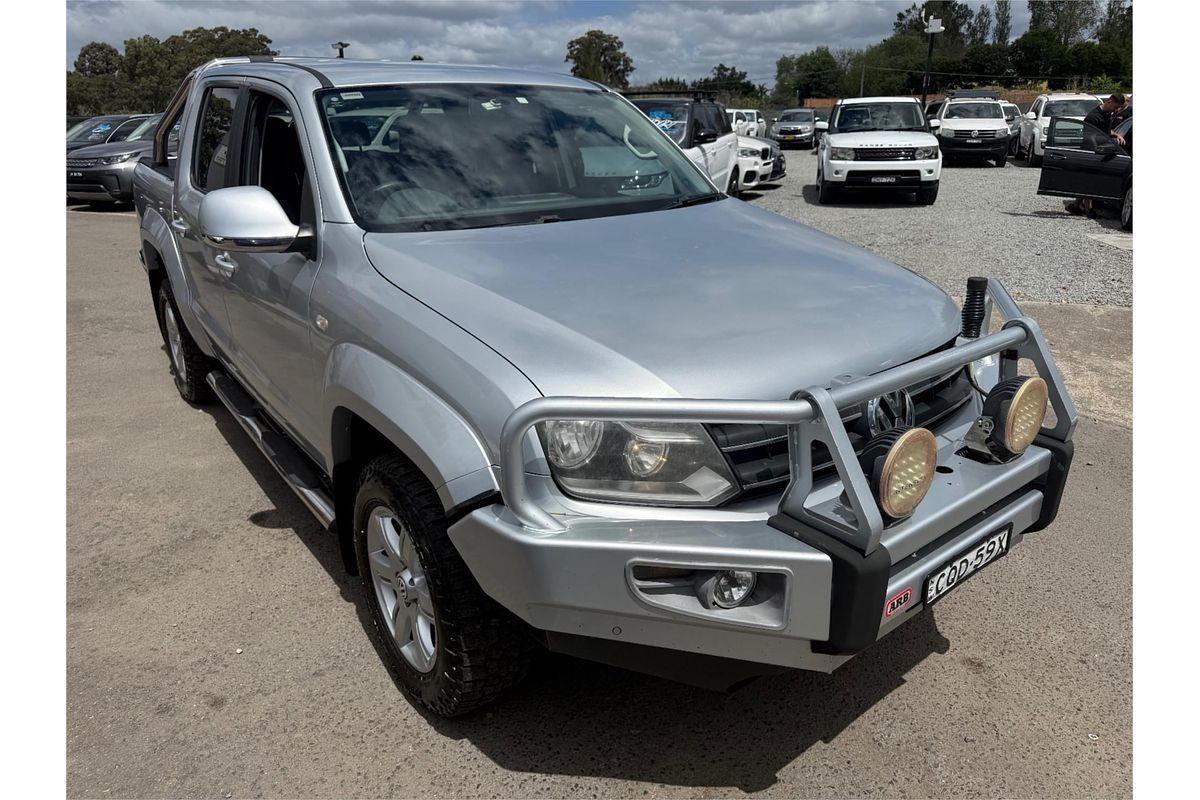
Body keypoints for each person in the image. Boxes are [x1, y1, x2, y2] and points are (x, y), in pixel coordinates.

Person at [1066, 93, 1128, 218]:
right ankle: (1089, 210)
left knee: (1091, 180)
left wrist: (1115, 135)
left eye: (1118, 109)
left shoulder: (1106, 115)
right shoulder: (1093, 117)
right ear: (1110, 101)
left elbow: (1105, 130)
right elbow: (1089, 137)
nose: (1116, 111)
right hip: (1090, 151)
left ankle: (1075, 206)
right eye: (1115, 107)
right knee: (1091, 180)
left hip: (1100, 151)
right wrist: (1097, 150)